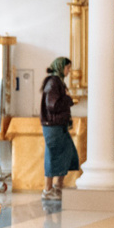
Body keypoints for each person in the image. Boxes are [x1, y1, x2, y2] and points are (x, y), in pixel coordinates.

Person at [41, 57, 79, 206]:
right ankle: (48, 189)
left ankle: (58, 187)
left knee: (68, 153)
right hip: (53, 126)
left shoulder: (58, 82)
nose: (69, 71)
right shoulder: (53, 82)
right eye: (67, 68)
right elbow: (53, 105)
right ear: (60, 67)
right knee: (53, 156)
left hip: (58, 125)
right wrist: (69, 99)